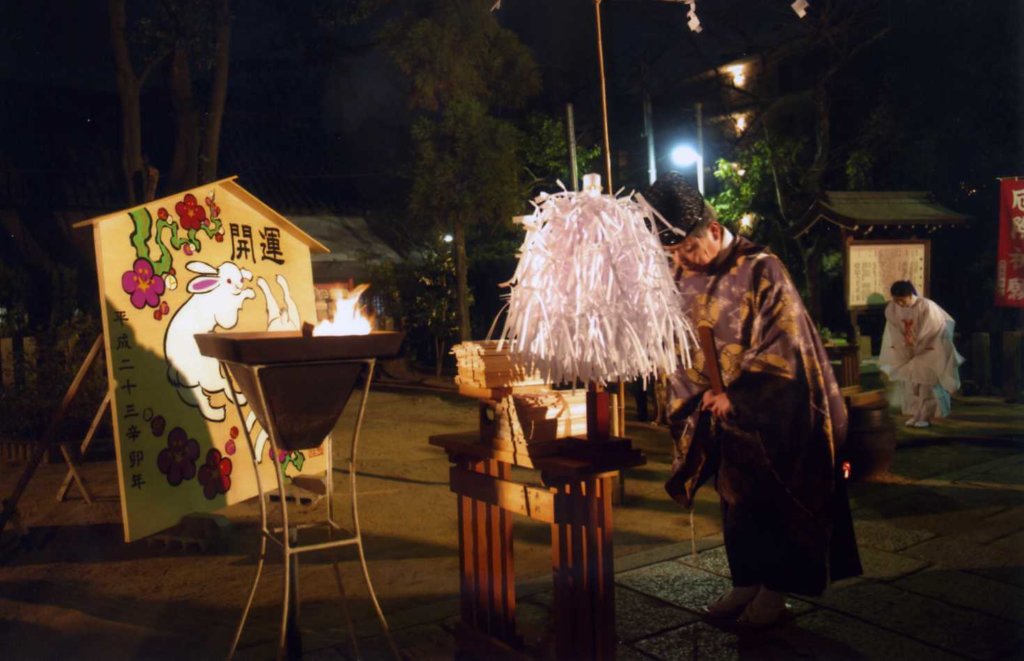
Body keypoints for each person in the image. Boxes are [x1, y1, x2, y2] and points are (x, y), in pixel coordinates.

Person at [643, 172, 862, 627]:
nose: (682, 260)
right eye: (674, 253)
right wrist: (691, 389)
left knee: (776, 497)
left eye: (688, 249)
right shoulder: (679, 270)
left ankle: (774, 593)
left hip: (773, 410)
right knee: (735, 500)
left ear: (715, 230)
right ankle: (745, 580)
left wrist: (739, 396)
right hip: (714, 408)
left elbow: (787, 340)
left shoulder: (762, 266)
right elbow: (674, 335)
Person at [879, 281, 964, 428]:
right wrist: (903, 344)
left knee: (926, 384)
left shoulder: (926, 305)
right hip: (909, 350)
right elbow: (894, 329)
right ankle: (917, 414)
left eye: (902, 299)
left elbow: (933, 328)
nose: (899, 303)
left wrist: (918, 342)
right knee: (913, 384)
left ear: (910, 295)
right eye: (896, 300)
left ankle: (926, 416)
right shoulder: (892, 308)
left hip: (929, 349)